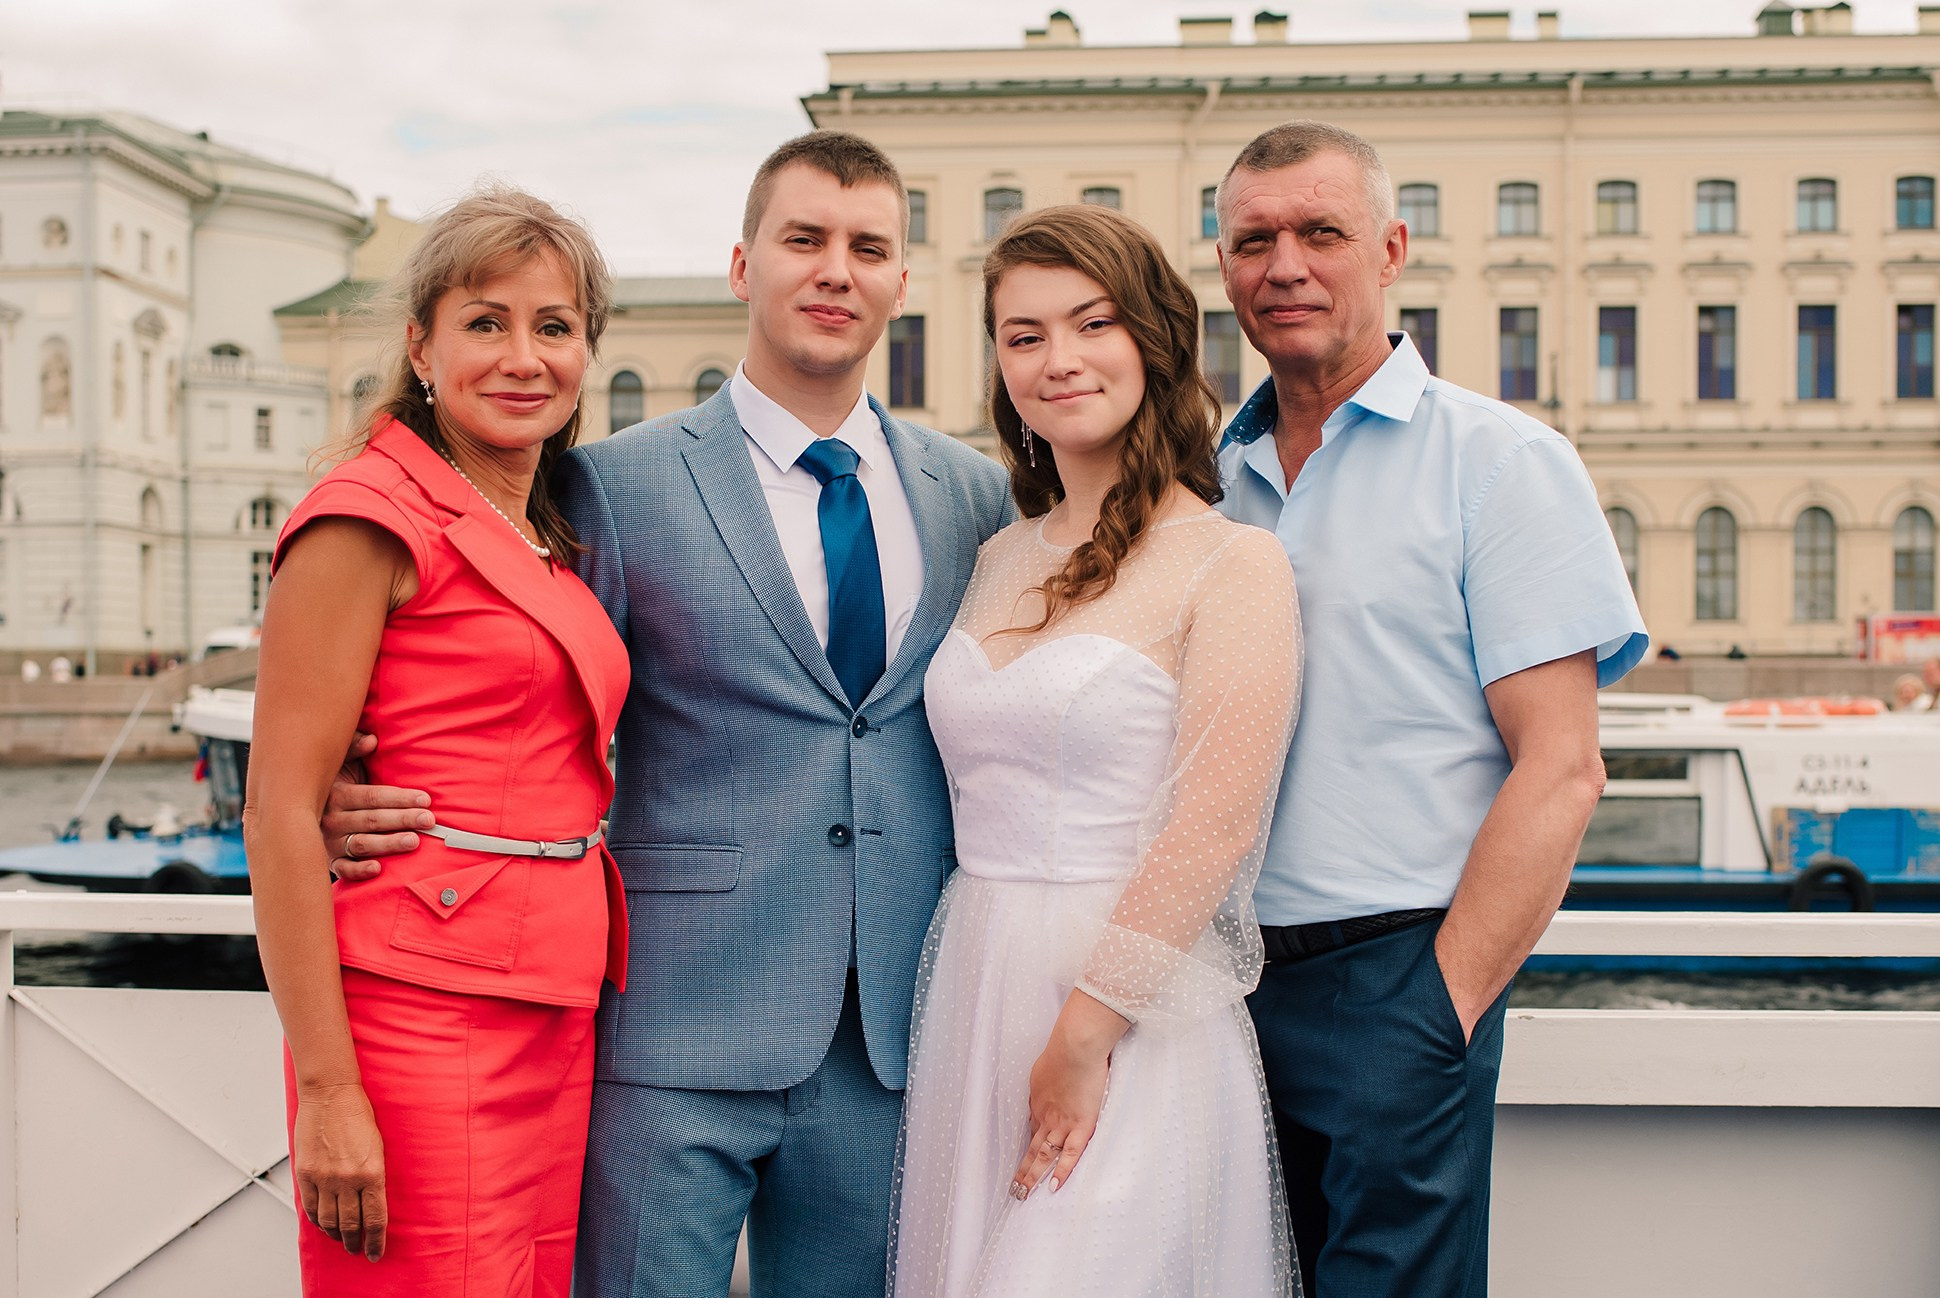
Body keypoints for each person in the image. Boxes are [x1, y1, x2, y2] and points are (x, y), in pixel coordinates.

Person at [321, 131, 1013, 1297]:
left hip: (890, 1037)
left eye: (867, 247)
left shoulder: (975, 494)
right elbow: (513, 673)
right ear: (744, 264)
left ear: (903, 281)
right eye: (804, 240)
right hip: (670, 1023)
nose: (834, 269)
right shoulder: (613, 484)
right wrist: (343, 764)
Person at [1212, 121, 1648, 1297]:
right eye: (1252, 240)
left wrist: (1438, 1008)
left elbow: (1560, 768)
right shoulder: (1208, 480)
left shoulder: (1499, 462)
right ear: (1222, 269)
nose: (1284, 265)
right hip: (1218, 990)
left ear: (1391, 247)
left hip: (1392, 977)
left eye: (1320, 232)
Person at [891, 204, 1301, 1298]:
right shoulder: (990, 556)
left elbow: (1213, 824)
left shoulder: (1230, 563)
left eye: (1090, 324)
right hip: (977, 979)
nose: (1057, 359)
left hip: (1127, 1003)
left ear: (1154, 342)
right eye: (1022, 336)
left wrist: (1083, 1036)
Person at [245, 187, 630, 1295]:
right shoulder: (368, 512)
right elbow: (276, 810)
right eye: (485, 321)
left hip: (548, 996)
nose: (523, 356)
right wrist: (327, 1089)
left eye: (553, 327)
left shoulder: (534, 515)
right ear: (421, 344)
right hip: (419, 1012)